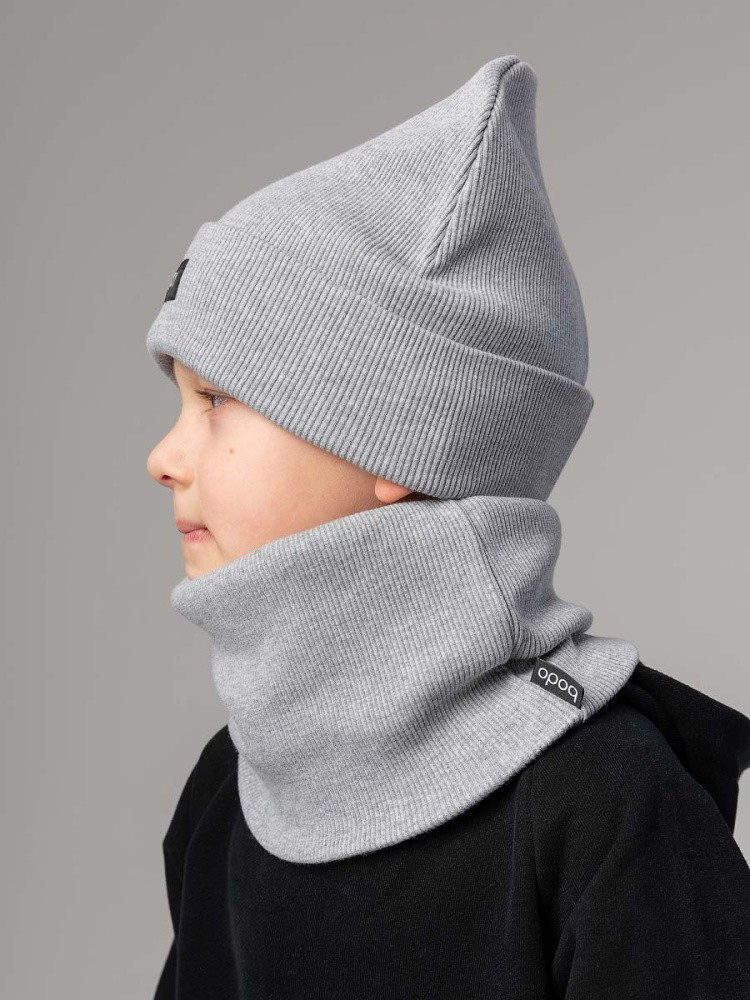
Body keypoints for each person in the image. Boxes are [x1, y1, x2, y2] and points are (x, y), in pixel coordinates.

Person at [145, 55, 750, 998]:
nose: (163, 456)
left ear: (398, 433)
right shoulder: (230, 792)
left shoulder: (606, 807)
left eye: (215, 399)